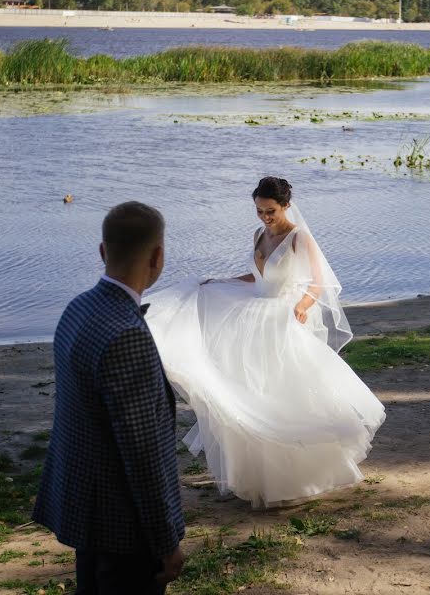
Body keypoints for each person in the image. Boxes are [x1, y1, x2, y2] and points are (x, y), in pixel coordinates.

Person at [146, 177, 386, 509]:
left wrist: (302, 306)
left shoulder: (300, 237)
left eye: (270, 211)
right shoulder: (259, 234)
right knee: (250, 391)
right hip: (253, 313)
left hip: (280, 317)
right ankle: (257, 477)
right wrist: (220, 281)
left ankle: (292, 479)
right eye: (259, 211)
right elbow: (256, 277)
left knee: (278, 393)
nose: (264, 217)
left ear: (286, 205)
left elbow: (319, 282)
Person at [33, 201, 186, 594]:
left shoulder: (78, 308)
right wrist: (165, 540)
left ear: (103, 251)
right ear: (157, 257)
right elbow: (142, 453)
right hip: (125, 529)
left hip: (87, 512)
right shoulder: (127, 334)